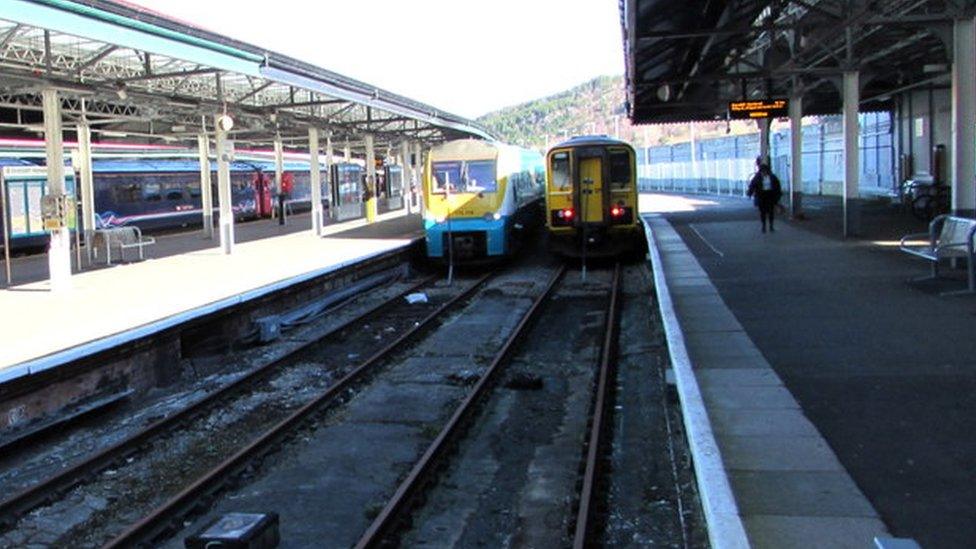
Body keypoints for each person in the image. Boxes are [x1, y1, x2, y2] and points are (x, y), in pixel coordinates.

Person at [747, 162, 783, 233]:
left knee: (771, 212)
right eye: (762, 171)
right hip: (761, 196)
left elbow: (777, 186)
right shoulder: (757, 177)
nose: (764, 172)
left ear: (768, 171)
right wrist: (750, 193)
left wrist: (778, 195)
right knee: (762, 212)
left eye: (765, 171)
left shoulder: (772, 177)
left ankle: (771, 226)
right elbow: (752, 185)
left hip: (770, 195)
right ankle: (763, 226)